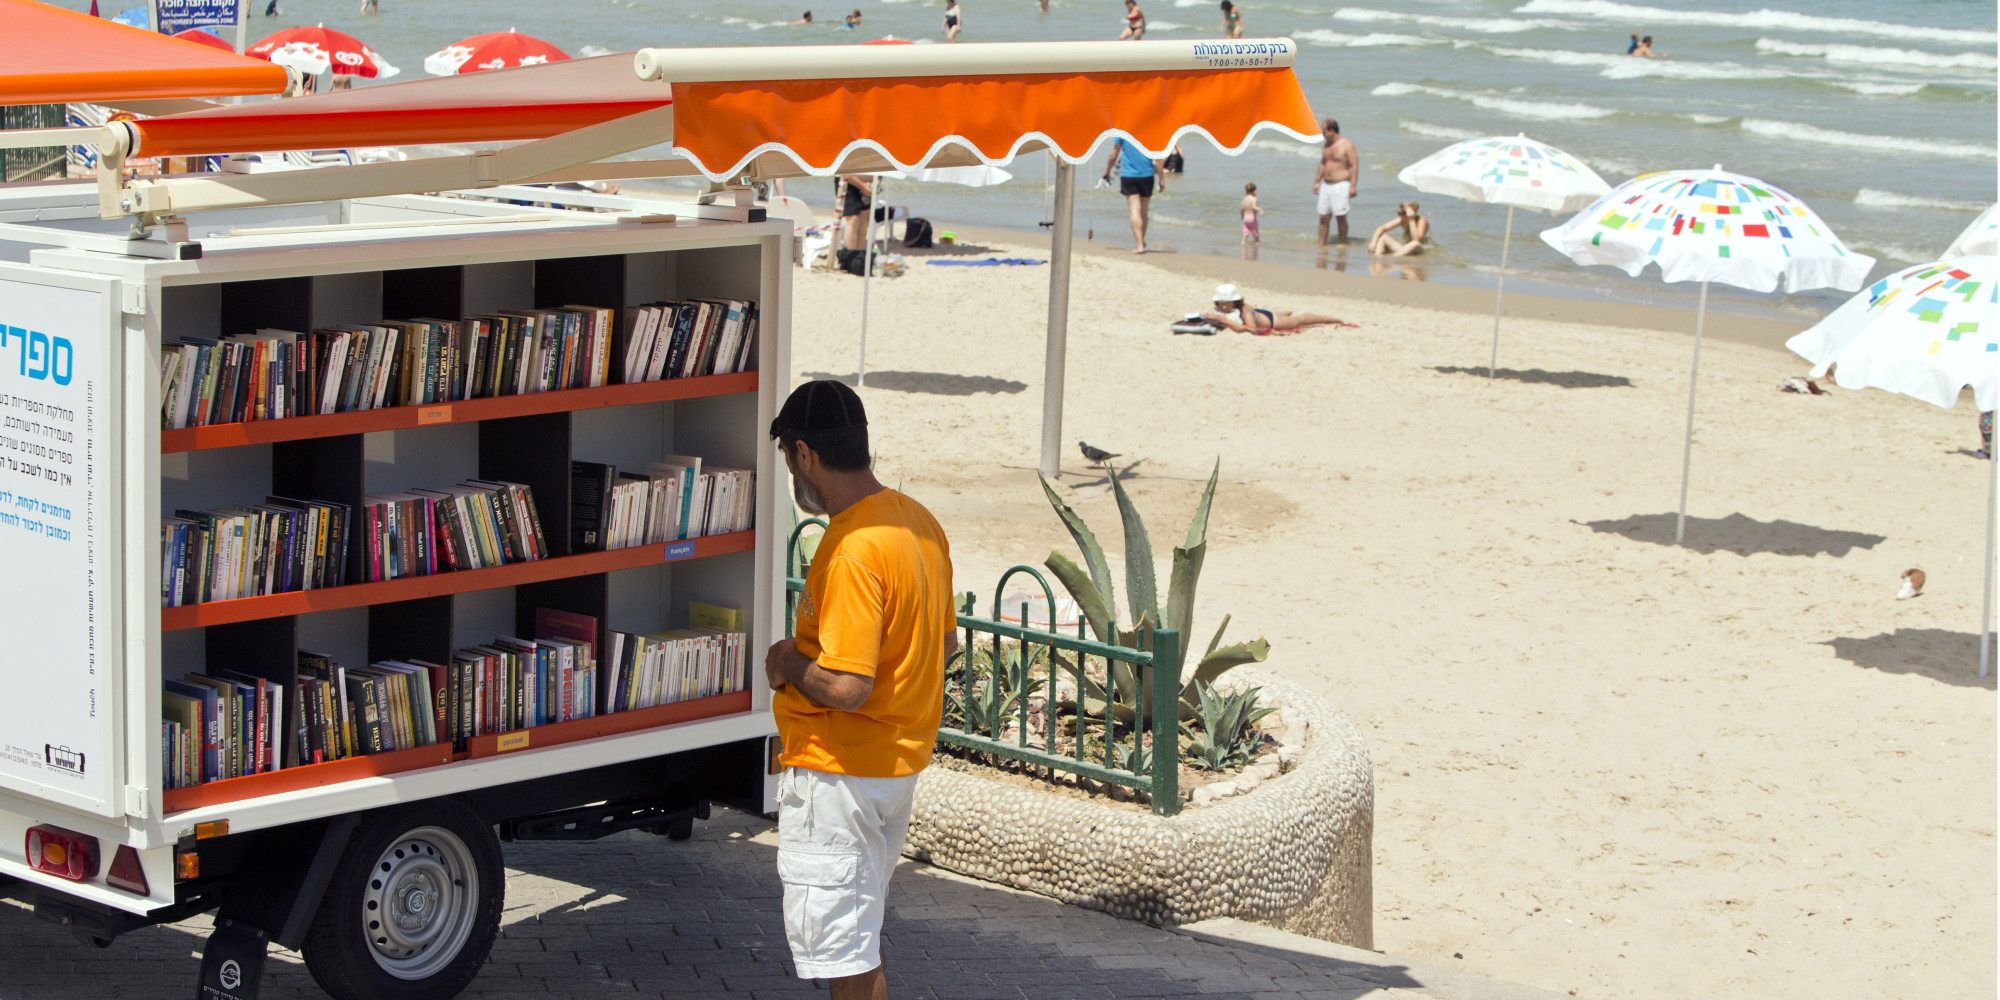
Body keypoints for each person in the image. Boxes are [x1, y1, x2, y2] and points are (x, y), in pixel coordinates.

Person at [764, 379, 956, 1000]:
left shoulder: (850, 547)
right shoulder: (915, 521)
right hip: (893, 769)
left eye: (789, 459)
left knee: (846, 955)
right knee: (856, 940)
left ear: (804, 455)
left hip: (840, 774)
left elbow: (846, 687)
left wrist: (787, 661)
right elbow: (945, 645)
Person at [1203, 284, 1356, 335]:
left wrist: (1223, 320)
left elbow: (1252, 329)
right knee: (1279, 314)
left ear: (1234, 301)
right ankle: (1284, 312)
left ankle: (1331, 319)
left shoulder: (1245, 311)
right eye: (1221, 303)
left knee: (1299, 320)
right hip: (1261, 313)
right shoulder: (1219, 307)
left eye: (1226, 303)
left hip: (1272, 321)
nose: (1223, 306)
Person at [1100, 136, 1164, 253]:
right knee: (1143, 211)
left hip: (1129, 175)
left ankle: (1139, 244)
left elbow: (1113, 154)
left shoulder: (1122, 132)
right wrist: (1161, 179)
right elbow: (1158, 159)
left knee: (1134, 209)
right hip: (1147, 175)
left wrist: (1107, 171)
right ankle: (1141, 242)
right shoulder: (1149, 131)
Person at [1314, 117, 1358, 246]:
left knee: (1340, 217)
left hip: (1341, 184)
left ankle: (1342, 244)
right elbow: (1323, 163)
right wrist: (1317, 181)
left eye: (1324, 132)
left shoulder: (1346, 145)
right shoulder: (1326, 145)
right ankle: (1321, 245)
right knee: (1323, 217)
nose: (1323, 135)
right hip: (1326, 185)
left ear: (1332, 130)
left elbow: (1354, 165)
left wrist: (1353, 186)